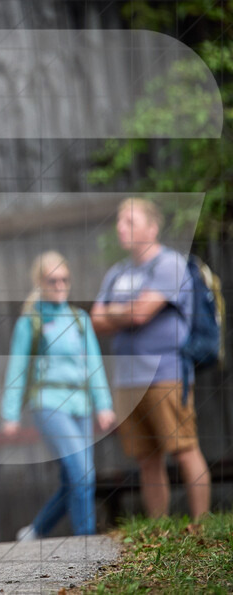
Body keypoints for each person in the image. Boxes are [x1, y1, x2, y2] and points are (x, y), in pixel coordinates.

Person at [91, 198, 210, 519]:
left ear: (152, 228)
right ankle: (159, 529)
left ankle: (201, 526)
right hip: (128, 380)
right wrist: (127, 312)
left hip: (166, 375)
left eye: (130, 221)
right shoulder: (117, 272)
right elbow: (95, 320)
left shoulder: (170, 264)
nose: (121, 228)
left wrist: (117, 312)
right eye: (119, 221)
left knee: (184, 449)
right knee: (147, 458)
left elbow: (141, 313)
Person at [2, 251, 115, 540]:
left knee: (73, 479)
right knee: (83, 474)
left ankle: (35, 532)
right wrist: (10, 414)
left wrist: (103, 405)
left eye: (64, 280)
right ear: (40, 282)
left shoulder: (79, 319)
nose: (60, 285)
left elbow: (94, 364)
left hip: (81, 404)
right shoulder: (31, 321)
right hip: (50, 403)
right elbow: (17, 367)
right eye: (53, 280)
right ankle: (87, 540)